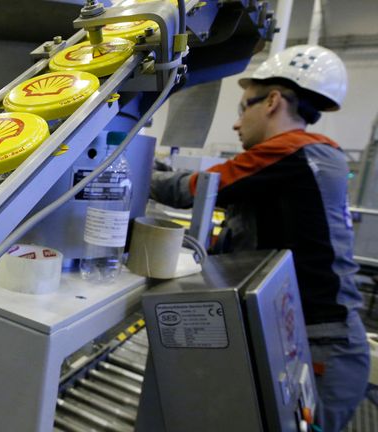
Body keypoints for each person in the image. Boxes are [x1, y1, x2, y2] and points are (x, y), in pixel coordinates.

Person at [149, 45, 370, 432]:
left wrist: (121, 161)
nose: (236, 124)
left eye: (242, 108)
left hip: (318, 347)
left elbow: (189, 191)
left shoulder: (287, 152)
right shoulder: (315, 156)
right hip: (324, 340)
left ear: (271, 101)